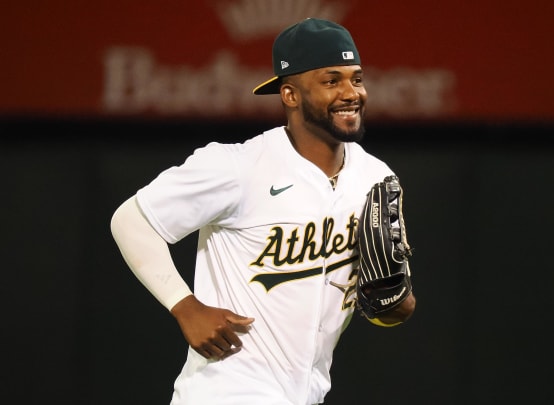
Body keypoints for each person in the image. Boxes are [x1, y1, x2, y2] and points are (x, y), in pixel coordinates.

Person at [110, 17, 416, 404]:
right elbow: (131, 220)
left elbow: (386, 307)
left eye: (356, 78)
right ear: (290, 95)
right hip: (227, 391)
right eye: (330, 80)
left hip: (306, 393)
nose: (350, 92)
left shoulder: (375, 177)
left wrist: (393, 302)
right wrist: (185, 306)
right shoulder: (239, 166)